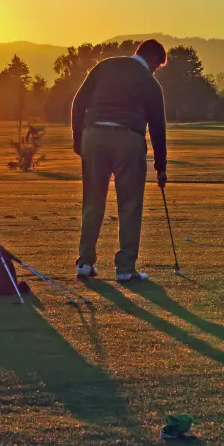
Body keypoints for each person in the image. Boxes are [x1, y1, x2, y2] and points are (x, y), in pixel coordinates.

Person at [71, 39, 168, 282]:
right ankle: (125, 268)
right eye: (157, 65)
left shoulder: (105, 66)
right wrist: (161, 165)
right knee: (130, 205)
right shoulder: (150, 82)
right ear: (153, 59)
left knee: (92, 200)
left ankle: (85, 262)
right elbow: (157, 126)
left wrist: (78, 138)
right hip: (128, 139)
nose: (156, 70)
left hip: (93, 136)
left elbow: (78, 103)